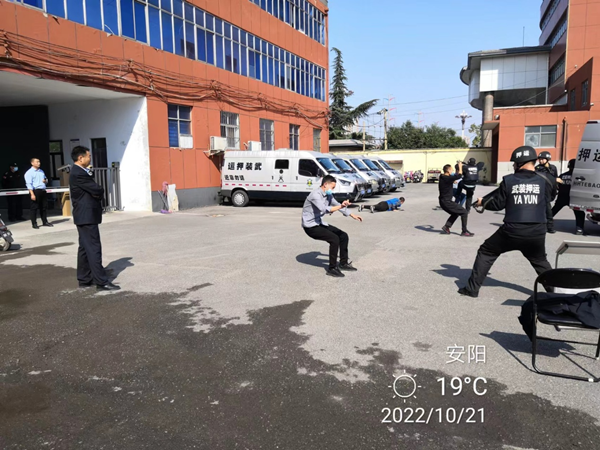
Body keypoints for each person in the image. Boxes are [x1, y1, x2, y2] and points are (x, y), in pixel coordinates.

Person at [458, 146, 553, 298]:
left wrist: (483, 203)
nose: (513, 165)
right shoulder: (546, 180)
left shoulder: (509, 180)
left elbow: (498, 204)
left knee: (486, 251)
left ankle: (472, 289)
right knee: (540, 261)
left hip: (512, 230)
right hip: (537, 230)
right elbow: (550, 198)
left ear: (520, 163)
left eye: (514, 163)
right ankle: (558, 293)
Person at [70, 146, 120, 291]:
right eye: (88, 156)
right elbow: (97, 189)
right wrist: (98, 191)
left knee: (84, 248)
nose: (90, 158)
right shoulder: (78, 173)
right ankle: (101, 281)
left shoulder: (81, 171)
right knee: (93, 248)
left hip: (84, 215)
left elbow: (93, 189)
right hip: (86, 216)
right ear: (80, 158)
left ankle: (84, 278)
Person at [302, 175, 363, 278]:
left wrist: (352, 215)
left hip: (319, 223)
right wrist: (340, 206)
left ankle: (343, 263)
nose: (333, 189)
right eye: (332, 187)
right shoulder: (315, 195)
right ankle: (332, 268)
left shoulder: (328, 195)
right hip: (310, 227)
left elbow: (337, 204)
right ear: (325, 184)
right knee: (334, 239)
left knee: (343, 236)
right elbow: (324, 209)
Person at [552, 159, 585, 235]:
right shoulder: (579, 177)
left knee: (553, 211)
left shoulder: (562, 175)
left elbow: (557, 186)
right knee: (580, 214)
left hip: (562, 197)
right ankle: (579, 229)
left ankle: (543, 223)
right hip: (573, 198)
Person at [439, 162, 473, 237]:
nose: (452, 171)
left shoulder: (443, 177)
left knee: (456, 212)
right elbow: (459, 175)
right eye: (451, 170)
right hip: (447, 202)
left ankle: (446, 227)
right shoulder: (447, 178)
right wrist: (460, 166)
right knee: (464, 212)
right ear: (448, 171)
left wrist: (452, 180)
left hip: (444, 201)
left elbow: (451, 179)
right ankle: (464, 231)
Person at [24, 158, 52, 229]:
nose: (39, 163)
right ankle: (34, 223)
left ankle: (45, 221)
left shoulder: (41, 171)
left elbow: (46, 179)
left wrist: (45, 180)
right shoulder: (29, 172)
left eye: (39, 162)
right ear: (32, 163)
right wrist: (32, 194)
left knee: (44, 207)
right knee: (34, 208)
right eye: (37, 162)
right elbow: (29, 184)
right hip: (35, 191)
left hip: (43, 190)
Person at [535, 151, 559, 234]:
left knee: (548, 211)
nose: (540, 161)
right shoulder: (537, 168)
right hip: (541, 190)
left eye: (542, 159)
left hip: (550, 189)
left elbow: (555, 178)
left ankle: (549, 227)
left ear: (547, 159)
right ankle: (547, 227)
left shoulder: (553, 168)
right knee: (546, 210)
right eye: (539, 159)